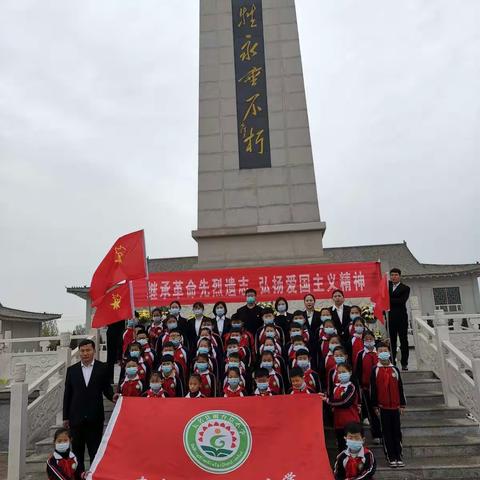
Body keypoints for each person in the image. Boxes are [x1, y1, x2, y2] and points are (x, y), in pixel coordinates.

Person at [62, 339, 116, 473]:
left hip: (95, 418)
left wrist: (113, 396)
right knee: (77, 454)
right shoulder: (72, 370)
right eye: (82, 351)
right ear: (79, 352)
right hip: (76, 419)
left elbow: (106, 389)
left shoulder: (102, 368)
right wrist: (65, 417)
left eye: (88, 350)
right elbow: (67, 394)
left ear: (94, 351)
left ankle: (93, 476)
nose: (85, 353)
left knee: (95, 452)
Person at [371, 342, 406, 468]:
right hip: (383, 407)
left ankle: (399, 455)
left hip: (395, 407)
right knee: (387, 433)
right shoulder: (375, 370)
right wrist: (375, 406)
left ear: (389, 352)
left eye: (385, 350)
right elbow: (373, 389)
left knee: (397, 432)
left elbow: (400, 387)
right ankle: (390, 456)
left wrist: (402, 404)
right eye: (380, 351)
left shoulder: (395, 369)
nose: (383, 352)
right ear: (377, 354)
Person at [322, 363, 360, 453]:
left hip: (350, 422)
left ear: (350, 373)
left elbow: (345, 402)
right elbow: (332, 401)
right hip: (338, 423)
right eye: (339, 372)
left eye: (344, 372)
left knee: (352, 448)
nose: (341, 374)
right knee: (341, 448)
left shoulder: (351, 387)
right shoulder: (336, 387)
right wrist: (323, 398)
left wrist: (328, 401)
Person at [355, 332, 382, 443]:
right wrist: (360, 385)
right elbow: (358, 371)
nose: (369, 340)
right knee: (372, 412)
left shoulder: (380, 352)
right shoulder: (361, 354)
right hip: (367, 389)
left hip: (381, 388)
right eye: (366, 339)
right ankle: (376, 434)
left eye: (371, 338)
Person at [388, 268, 411, 370]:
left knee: (403, 340)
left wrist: (388, 299)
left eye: (396, 275)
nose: (394, 277)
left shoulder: (405, 288)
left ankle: (404, 363)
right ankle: (392, 362)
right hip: (390, 318)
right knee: (392, 341)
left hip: (401, 318)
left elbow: (401, 301)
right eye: (392, 275)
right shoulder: (387, 286)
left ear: (400, 276)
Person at [106, 319, 125, 385]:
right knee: (110, 357)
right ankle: (110, 379)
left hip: (122, 331)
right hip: (111, 331)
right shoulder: (108, 310)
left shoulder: (123, 309)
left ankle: (122, 378)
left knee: (123, 356)